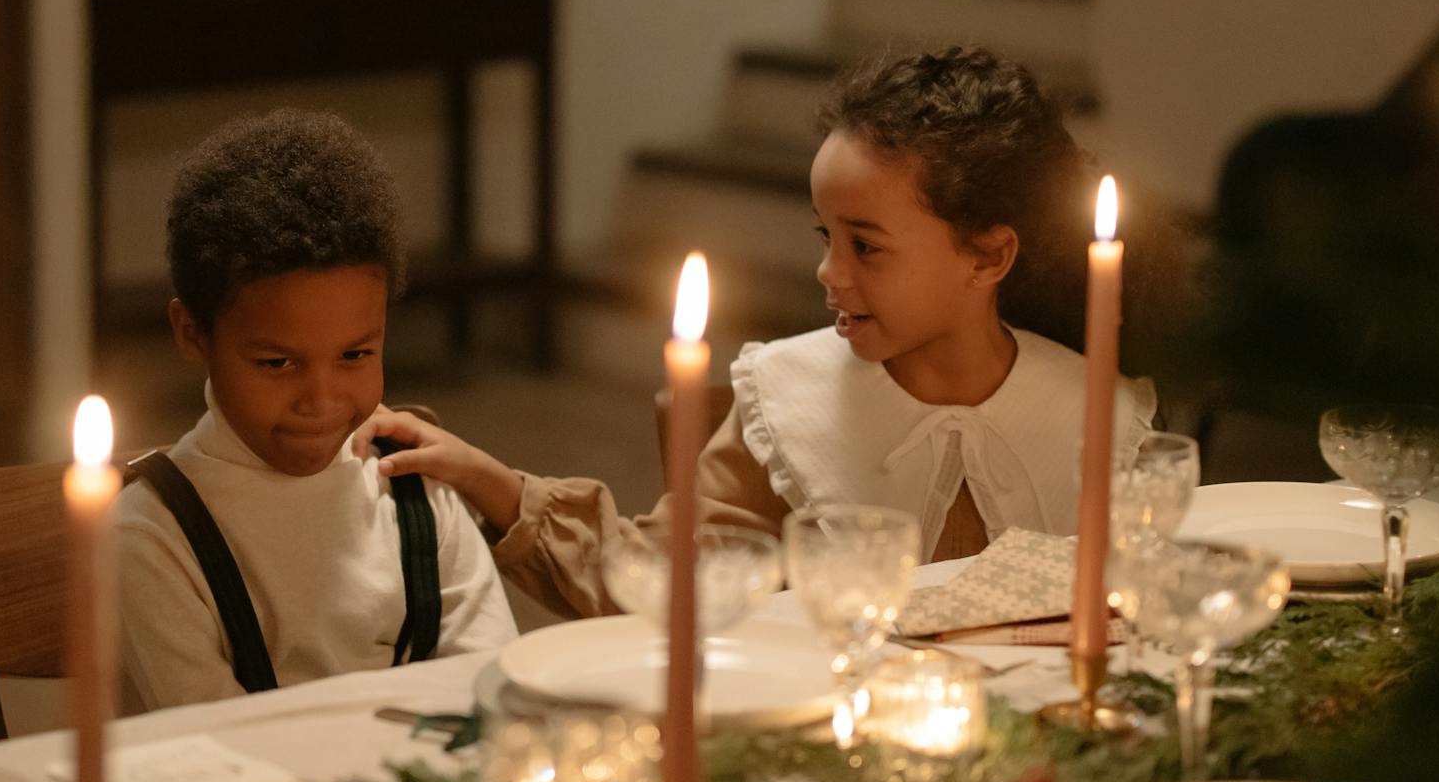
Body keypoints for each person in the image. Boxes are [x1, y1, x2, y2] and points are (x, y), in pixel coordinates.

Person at [363, 48, 1155, 616]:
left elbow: (1143, 597)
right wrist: (495, 484)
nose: (829, 273)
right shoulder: (786, 406)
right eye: (826, 239)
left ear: (988, 256)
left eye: (866, 246)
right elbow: (672, 583)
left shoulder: (1096, 411)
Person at [112, 111, 515, 715]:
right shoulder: (154, 535)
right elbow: (218, 745)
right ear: (192, 332)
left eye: (355, 354)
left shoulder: (416, 491)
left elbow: (492, 693)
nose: (323, 401)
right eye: (277, 364)